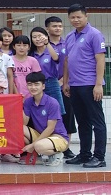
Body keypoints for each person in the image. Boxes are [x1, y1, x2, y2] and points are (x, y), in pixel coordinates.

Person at [63, 4, 107, 168]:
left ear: (86, 16)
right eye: (72, 17)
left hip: (90, 85)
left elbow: (100, 59)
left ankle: (99, 157)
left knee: (97, 122)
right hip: (74, 85)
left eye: (79, 17)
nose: (76, 20)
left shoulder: (94, 34)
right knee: (82, 122)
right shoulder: (69, 36)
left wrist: (98, 84)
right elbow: (67, 61)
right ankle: (84, 154)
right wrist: (66, 82)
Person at [21, 71, 69, 167]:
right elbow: (24, 123)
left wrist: (32, 145)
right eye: (30, 84)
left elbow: (50, 128)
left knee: (39, 146)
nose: (33, 87)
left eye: (36, 84)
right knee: (19, 129)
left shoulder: (52, 102)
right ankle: (41, 155)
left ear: (43, 86)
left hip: (59, 137)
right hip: (42, 136)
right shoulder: (28, 102)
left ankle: (57, 154)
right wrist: (20, 104)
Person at [45, 16, 76, 159]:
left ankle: (66, 147)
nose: (57, 28)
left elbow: (72, 63)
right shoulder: (43, 44)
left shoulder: (68, 43)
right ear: (47, 29)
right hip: (48, 87)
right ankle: (48, 146)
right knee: (48, 117)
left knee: (67, 116)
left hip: (65, 86)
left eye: (60, 26)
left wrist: (64, 81)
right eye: (54, 26)